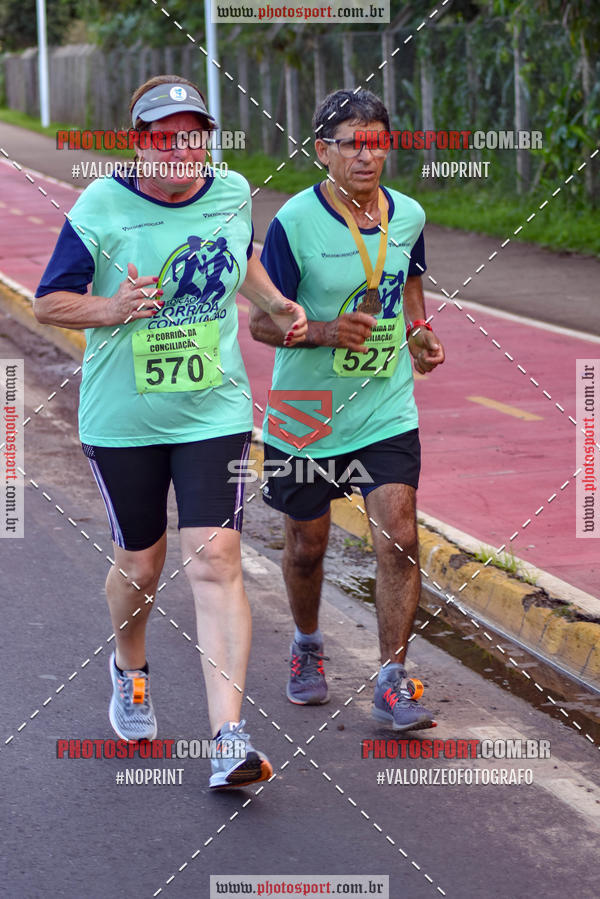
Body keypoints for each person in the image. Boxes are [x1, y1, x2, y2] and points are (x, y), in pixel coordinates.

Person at [33, 75, 307, 787]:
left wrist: (278, 302)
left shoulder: (230, 191)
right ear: (140, 144)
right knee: (143, 564)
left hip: (213, 411)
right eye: (165, 136)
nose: (181, 148)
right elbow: (49, 301)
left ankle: (229, 737)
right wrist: (113, 306)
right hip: (124, 419)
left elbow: (237, 258)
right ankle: (129, 666)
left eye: (194, 134)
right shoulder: (101, 205)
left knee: (216, 557)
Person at [249, 89, 445, 732]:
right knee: (307, 544)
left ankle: (392, 677)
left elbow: (409, 280)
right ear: (322, 151)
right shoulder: (294, 225)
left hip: (384, 405)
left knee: (402, 536)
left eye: (378, 140)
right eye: (353, 143)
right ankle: (307, 645)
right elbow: (262, 326)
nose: (368, 155)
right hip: (306, 409)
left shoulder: (408, 214)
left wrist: (419, 331)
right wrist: (326, 331)